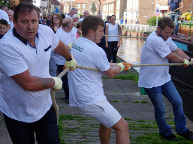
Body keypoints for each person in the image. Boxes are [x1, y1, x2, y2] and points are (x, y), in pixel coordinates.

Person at [0, 3, 77, 144]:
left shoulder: (45, 31)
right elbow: (28, 84)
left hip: (44, 107)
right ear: (14, 22)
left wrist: (69, 58)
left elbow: (59, 45)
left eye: (34, 21)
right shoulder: (6, 46)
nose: (31, 27)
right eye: (24, 22)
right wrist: (54, 82)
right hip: (17, 112)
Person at [68, 16, 131, 144]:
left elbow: (101, 64)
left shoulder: (77, 42)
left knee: (106, 122)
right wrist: (120, 66)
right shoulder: (97, 50)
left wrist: (119, 65)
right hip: (91, 98)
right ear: (91, 32)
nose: (103, 34)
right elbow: (110, 74)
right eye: (101, 31)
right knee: (122, 126)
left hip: (80, 94)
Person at [138, 17, 193, 141]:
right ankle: (165, 131)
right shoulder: (154, 40)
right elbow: (171, 56)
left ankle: (182, 130)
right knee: (161, 108)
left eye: (170, 33)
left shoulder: (166, 38)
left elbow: (177, 50)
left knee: (178, 101)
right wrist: (184, 61)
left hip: (164, 78)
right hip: (151, 81)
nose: (169, 35)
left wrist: (189, 59)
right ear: (158, 29)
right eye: (166, 32)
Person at [54, 18, 77, 103]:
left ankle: (74, 95)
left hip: (73, 59)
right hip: (61, 60)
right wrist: (66, 49)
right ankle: (68, 96)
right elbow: (55, 50)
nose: (73, 25)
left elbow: (79, 34)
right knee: (64, 78)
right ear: (68, 26)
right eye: (72, 24)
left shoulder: (73, 30)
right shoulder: (58, 35)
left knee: (73, 78)